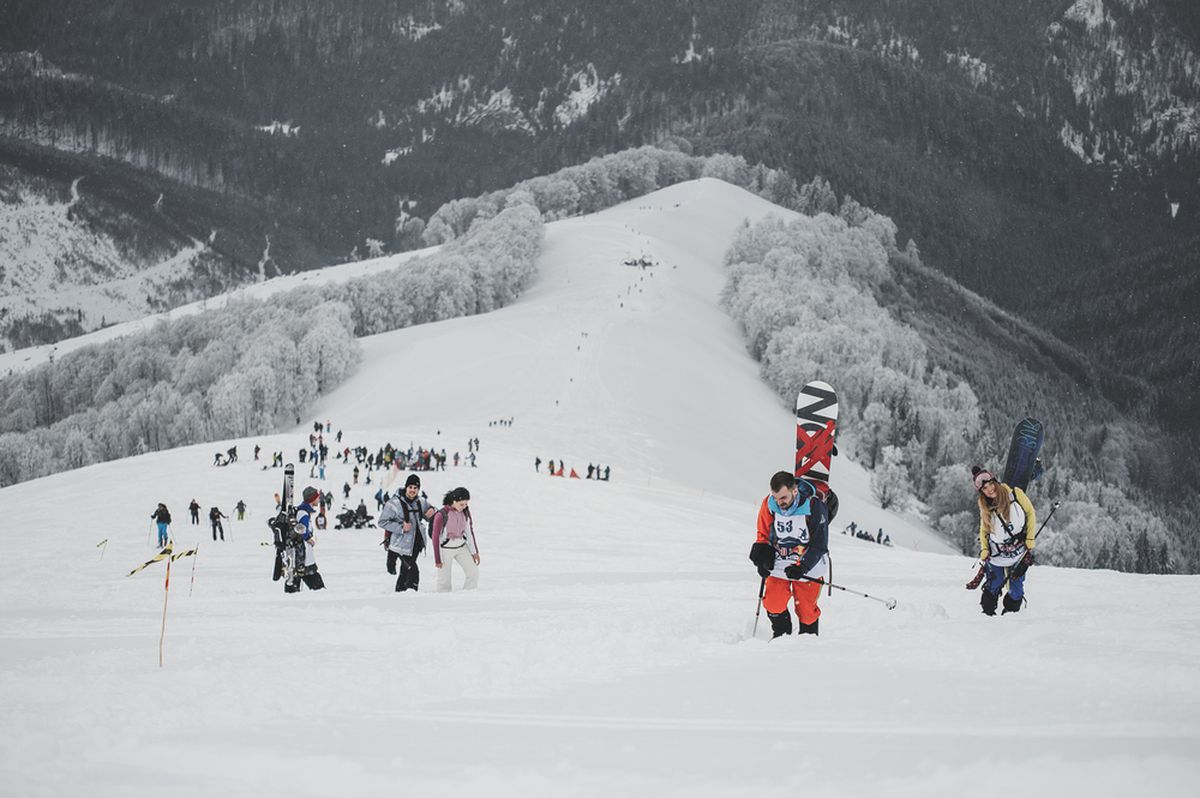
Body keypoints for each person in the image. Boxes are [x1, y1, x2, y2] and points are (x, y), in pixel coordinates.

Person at [748, 471, 831, 637]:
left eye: (783, 498)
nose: (779, 503)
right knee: (773, 603)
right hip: (780, 562)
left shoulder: (813, 506)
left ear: (794, 491)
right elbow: (763, 534)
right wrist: (762, 559)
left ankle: (807, 639)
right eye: (776, 497)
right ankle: (781, 633)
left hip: (807, 564)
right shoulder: (770, 504)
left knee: (806, 610)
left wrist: (803, 567)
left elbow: (819, 544)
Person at [972, 466, 1036, 615]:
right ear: (981, 491)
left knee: (1016, 589)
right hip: (996, 555)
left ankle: (1010, 615)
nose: (989, 489)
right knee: (993, 584)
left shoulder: (1015, 494)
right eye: (985, 488)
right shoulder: (985, 507)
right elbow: (984, 530)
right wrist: (985, 549)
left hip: (1018, 553)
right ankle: (987, 614)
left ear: (995, 481)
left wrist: (1030, 539)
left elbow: (1030, 513)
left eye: (990, 484)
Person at [378, 474, 436, 591]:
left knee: (405, 570)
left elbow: (431, 513)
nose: (412, 490)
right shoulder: (393, 503)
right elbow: (382, 522)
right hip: (401, 544)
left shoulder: (421, 501)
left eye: (415, 488)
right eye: (410, 487)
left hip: (416, 544)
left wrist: (432, 511)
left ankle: (400, 593)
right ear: (406, 487)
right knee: (412, 570)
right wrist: (401, 527)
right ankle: (411, 594)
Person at [432, 487, 480, 592]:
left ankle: (468, 595)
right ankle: (444, 600)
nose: (464, 507)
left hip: (461, 547)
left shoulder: (465, 512)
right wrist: (437, 559)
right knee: (444, 580)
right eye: (461, 504)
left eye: (466, 504)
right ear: (454, 501)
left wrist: (474, 552)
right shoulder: (441, 514)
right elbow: (435, 538)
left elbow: (469, 532)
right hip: (445, 549)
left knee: (473, 572)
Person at [284, 487, 326, 593]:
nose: (319, 499)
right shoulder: (303, 513)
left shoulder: (303, 512)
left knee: (295, 584)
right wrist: (308, 538)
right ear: (312, 499)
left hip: (302, 557)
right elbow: (301, 529)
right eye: (317, 497)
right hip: (303, 557)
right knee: (317, 587)